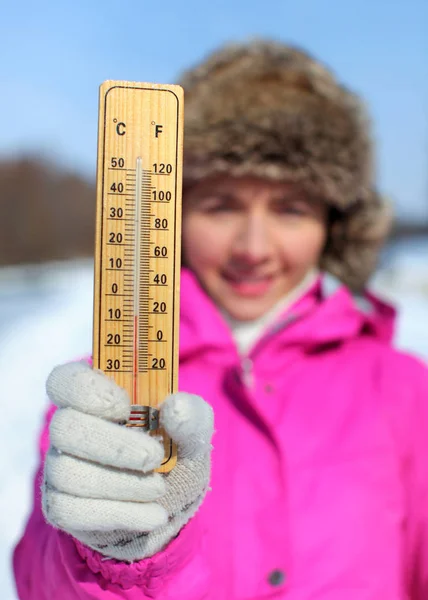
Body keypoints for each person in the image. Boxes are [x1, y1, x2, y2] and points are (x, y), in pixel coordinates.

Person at [13, 40, 428, 600]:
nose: (253, 248)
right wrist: (104, 555)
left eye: (291, 208)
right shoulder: (105, 393)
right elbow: (41, 586)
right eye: (221, 205)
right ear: (169, 210)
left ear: (336, 225)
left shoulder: (404, 389)